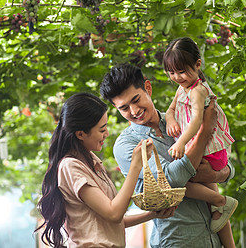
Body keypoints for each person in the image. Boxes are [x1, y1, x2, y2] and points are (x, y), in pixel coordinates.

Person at [100, 62, 236, 248]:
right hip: (178, 241)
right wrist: (204, 133)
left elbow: (220, 159)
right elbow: (172, 178)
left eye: (136, 99)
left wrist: (217, 175)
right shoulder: (127, 145)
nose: (134, 111)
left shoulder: (182, 118)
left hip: (215, 239)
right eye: (124, 108)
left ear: (148, 87)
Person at [35, 92, 175, 248]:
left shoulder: (92, 161)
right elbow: (114, 213)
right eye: (102, 130)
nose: (106, 134)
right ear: (80, 134)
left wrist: (153, 215)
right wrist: (136, 165)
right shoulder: (70, 166)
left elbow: (111, 222)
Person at [163, 37, 238, 235]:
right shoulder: (183, 88)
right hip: (201, 146)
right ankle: (218, 208)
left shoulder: (197, 91)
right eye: (171, 73)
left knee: (181, 180)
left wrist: (180, 142)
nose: (177, 77)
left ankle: (220, 202)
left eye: (181, 71)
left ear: (197, 65)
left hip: (212, 149)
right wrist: (171, 121)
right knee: (193, 180)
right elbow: (170, 110)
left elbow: (197, 121)